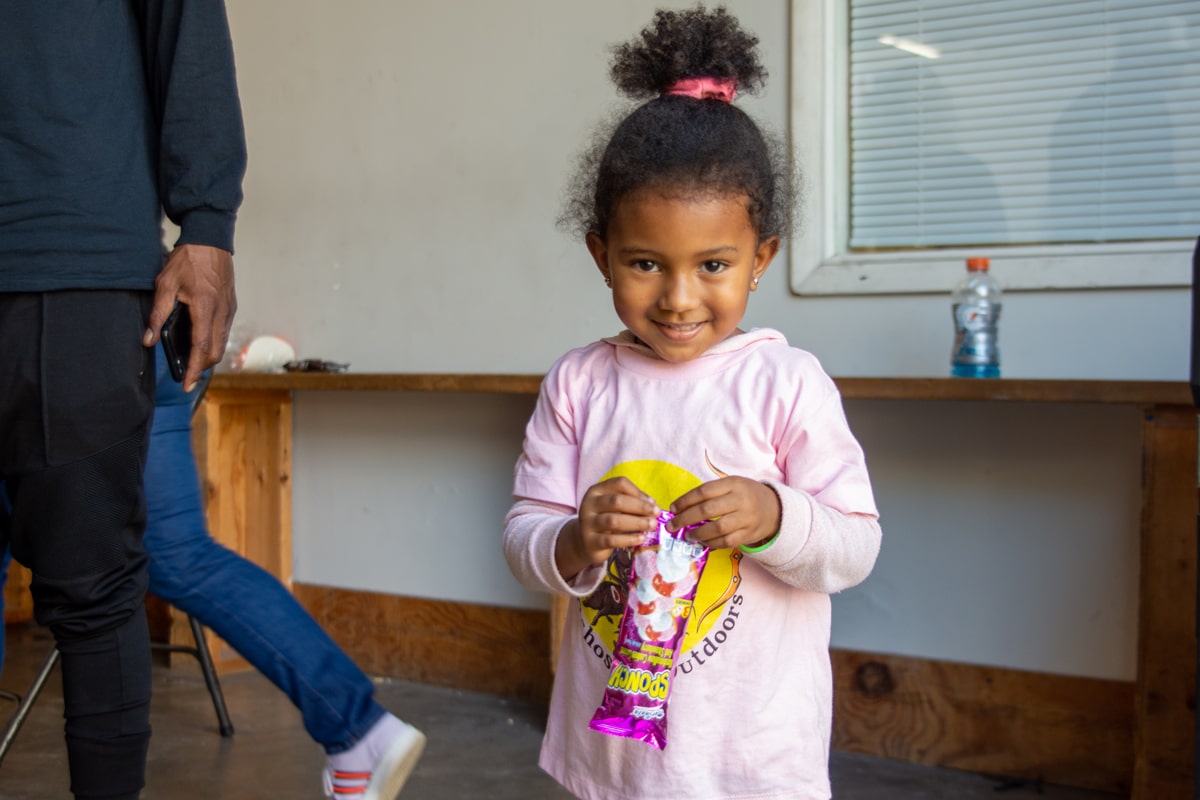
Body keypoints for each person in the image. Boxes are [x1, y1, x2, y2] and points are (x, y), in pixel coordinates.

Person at [502, 7, 882, 799]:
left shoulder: (787, 383)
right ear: (602, 256)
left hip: (753, 759)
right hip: (613, 755)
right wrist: (574, 537)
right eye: (645, 262)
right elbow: (523, 539)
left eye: (713, 264)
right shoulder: (578, 383)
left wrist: (777, 516)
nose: (678, 298)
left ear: (760, 259)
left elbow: (854, 546)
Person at [0, 2, 244, 797]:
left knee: (93, 582)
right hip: (69, 256)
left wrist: (206, 222)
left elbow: (186, 21)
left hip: (69, 257)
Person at [1, 348, 426, 799]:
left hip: (58, 344)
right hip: (158, 344)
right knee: (181, 555)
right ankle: (359, 728)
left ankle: (357, 728)